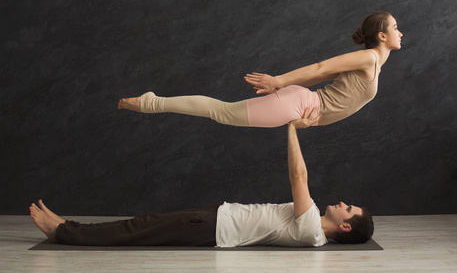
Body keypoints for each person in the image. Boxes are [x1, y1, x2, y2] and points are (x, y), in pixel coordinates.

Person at [30, 109, 374, 247]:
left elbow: (298, 175)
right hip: (218, 218)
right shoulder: (314, 236)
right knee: (143, 226)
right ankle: (67, 226)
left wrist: (292, 127)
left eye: (348, 209)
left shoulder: (312, 226)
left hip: (212, 226)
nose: (343, 203)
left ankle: (62, 232)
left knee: (140, 227)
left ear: (345, 226)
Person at [118, 11, 402, 127]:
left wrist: (283, 84)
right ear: (381, 35)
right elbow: (321, 66)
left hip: (302, 105)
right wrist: (279, 80)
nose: (400, 33)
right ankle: (151, 103)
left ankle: (151, 102)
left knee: (223, 112)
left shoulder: (373, 64)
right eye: (395, 28)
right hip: (300, 104)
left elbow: (322, 75)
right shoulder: (369, 59)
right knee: (223, 112)